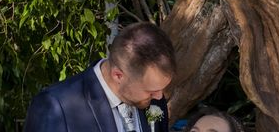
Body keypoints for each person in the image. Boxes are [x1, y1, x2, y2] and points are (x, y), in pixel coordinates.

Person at [24, 22, 175, 132]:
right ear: (118, 75)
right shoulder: (56, 106)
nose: (159, 96)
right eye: (150, 90)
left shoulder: (155, 101)